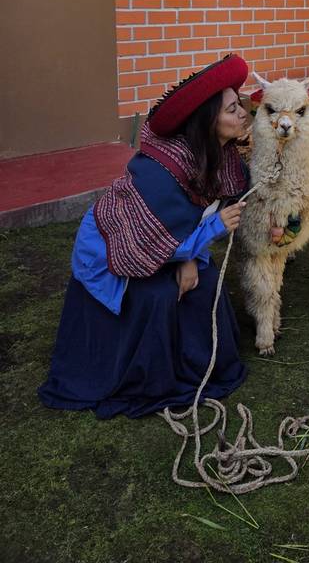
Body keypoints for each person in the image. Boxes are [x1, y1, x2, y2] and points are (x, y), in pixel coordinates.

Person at [38, 54, 253, 419]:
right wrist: (208, 236)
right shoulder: (161, 172)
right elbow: (146, 242)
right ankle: (150, 378)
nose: (243, 113)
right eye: (233, 110)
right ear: (207, 122)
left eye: (240, 104)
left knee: (206, 282)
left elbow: (187, 223)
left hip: (168, 247)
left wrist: (190, 258)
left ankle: (200, 367)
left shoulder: (217, 158)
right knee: (161, 294)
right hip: (113, 256)